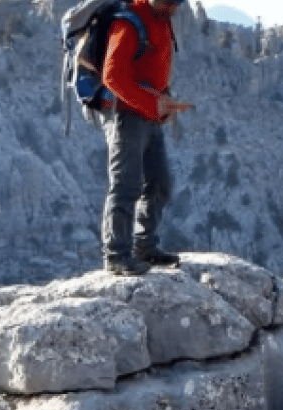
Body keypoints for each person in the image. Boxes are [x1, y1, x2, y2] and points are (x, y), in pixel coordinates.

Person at [99, 0, 194, 276]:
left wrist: (165, 102)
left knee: (160, 182)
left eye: (176, 4)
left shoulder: (161, 20)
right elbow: (112, 75)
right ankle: (116, 255)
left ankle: (145, 247)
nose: (173, 8)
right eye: (168, 2)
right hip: (126, 116)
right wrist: (153, 104)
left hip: (151, 116)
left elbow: (153, 70)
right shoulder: (128, 22)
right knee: (125, 184)